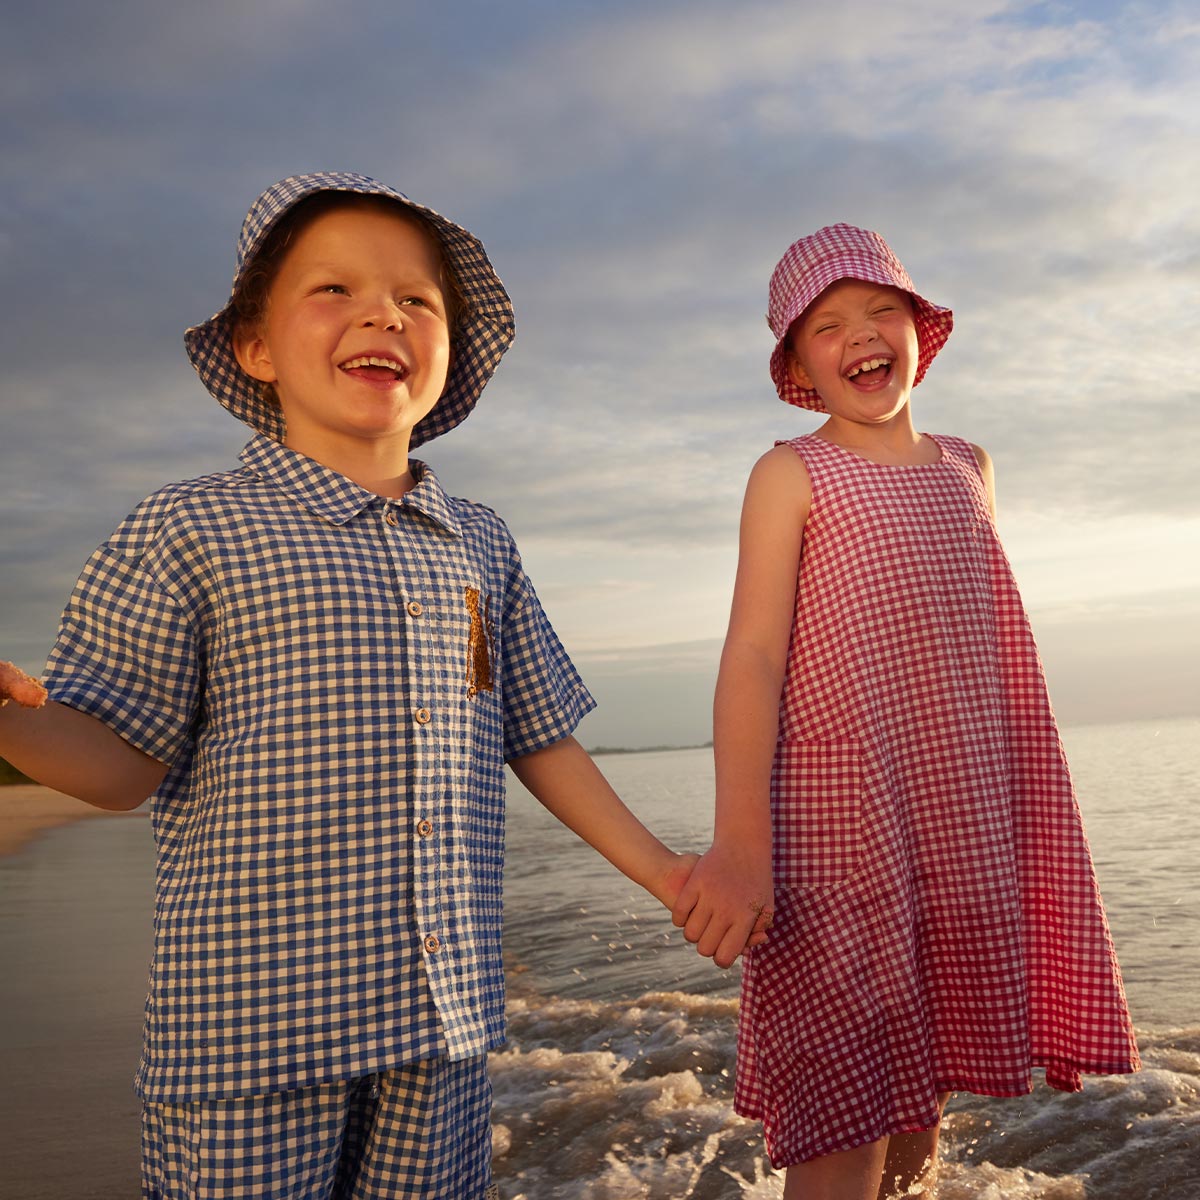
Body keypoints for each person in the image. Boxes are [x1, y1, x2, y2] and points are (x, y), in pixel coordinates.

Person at [0, 172, 723, 1200]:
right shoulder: (190, 526)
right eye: (333, 289)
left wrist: (667, 873)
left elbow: (539, 735)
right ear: (255, 346)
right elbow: (121, 766)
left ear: (449, 354)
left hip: (442, 1020)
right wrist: (10, 720)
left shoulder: (479, 542)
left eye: (415, 299)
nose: (382, 313)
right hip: (251, 1035)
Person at [672, 224, 1140, 1199]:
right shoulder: (792, 474)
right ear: (800, 366)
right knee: (845, 1119)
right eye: (827, 325)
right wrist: (739, 840)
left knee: (923, 1096)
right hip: (839, 827)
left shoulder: (970, 464)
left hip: (959, 817)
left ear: (920, 329)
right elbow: (752, 656)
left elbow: (972, 645)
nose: (859, 334)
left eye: (881, 309)